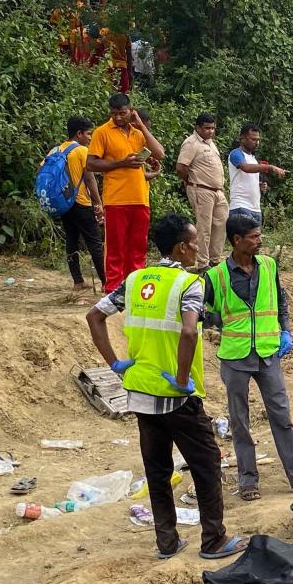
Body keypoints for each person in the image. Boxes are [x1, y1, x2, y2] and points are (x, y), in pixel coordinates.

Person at [85, 214, 247, 561]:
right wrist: (183, 377)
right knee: (206, 464)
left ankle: (167, 542)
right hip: (177, 395)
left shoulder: (135, 280)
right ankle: (214, 540)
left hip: (141, 391)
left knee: (158, 471)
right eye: (194, 242)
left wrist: (115, 363)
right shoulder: (188, 284)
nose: (197, 248)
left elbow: (94, 316)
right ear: (182, 247)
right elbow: (189, 332)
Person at [204, 214, 293, 501]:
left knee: (282, 417)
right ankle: (248, 481)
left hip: (268, 353)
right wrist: (218, 321)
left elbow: (280, 300)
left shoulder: (268, 265)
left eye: (259, 235)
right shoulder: (215, 276)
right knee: (240, 422)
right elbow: (202, 311)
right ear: (237, 241)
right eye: (253, 237)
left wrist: (286, 330)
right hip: (235, 357)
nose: (259, 240)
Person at [86, 92, 165, 291]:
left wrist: (141, 126)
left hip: (140, 198)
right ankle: (113, 289)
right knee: (115, 248)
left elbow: (160, 153)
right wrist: (121, 163)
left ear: (131, 111)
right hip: (116, 199)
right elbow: (91, 163)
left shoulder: (139, 133)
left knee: (138, 247)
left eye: (122, 113)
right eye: (114, 114)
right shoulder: (102, 132)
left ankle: (135, 287)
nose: (118, 117)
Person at [49, 116, 106, 290]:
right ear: (79, 133)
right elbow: (90, 179)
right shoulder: (82, 151)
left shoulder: (55, 150)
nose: (90, 138)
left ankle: (78, 281)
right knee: (94, 242)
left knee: (71, 240)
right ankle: (106, 282)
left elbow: (42, 172)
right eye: (88, 134)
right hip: (81, 202)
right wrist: (98, 202)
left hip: (63, 204)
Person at [176, 113, 228, 272]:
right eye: (207, 128)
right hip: (201, 189)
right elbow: (181, 167)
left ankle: (214, 260)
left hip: (217, 190)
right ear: (197, 128)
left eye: (212, 128)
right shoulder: (191, 143)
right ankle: (203, 264)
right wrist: (190, 182)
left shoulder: (211, 143)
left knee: (221, 225)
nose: (210, 131)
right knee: (204, 228)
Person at [227, 124, 286, 224]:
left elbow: (248, 178)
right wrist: (270, 167)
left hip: (255, 208)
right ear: (242, 139)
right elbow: (246, 168)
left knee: (255, 239)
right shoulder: (236, 153)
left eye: (258, 140)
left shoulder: (253, 158)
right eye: (253, 139)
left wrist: (260, 186)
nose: (257, 143)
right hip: (241, 206)